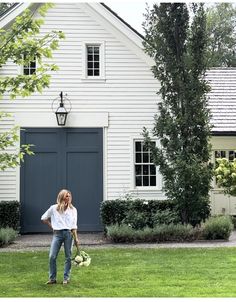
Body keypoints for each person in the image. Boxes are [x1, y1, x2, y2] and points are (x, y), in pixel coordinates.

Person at [41, 189, 80, 285]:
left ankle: (66, 278)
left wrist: (76, 238)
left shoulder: (73, 210)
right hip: (57, 234)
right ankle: (52, 279)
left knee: (68, 257)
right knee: (52, 256)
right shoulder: (53, 208)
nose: (69, 197)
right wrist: (52, 227)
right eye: (67, 196)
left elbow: (74, 226)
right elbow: (43, 218)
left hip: (68, 234)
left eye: (70, 196)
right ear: (62, 197)